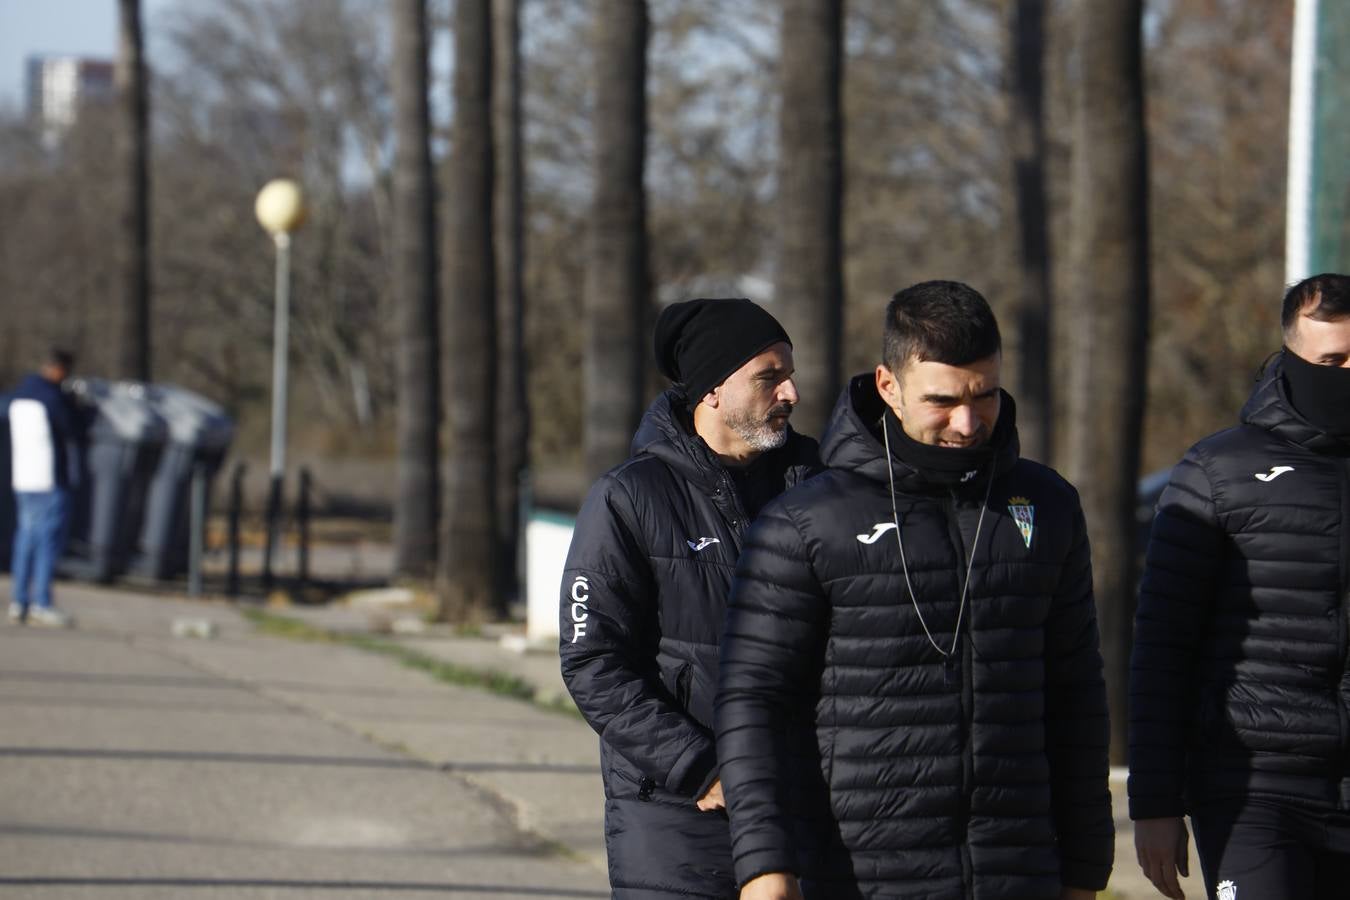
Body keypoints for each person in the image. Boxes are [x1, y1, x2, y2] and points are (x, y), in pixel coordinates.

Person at [715, 280, 1114, 900]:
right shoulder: (806, 522)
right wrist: (766, 868)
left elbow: (1077, 693)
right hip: (858, 874)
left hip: (1018, 869)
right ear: (887, 386)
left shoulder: (1048, 504)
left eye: (984, 395)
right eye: (942, 400)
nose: (967, 421)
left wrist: (1087, 868)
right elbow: (753, 701)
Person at [559, 297, 821, 898]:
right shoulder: (628, 499)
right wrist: (700, 770)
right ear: (711, 390)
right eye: (769, 378)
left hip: (808, 810)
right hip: (677, 818)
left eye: (790, 374)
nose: (791, 394)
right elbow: (592, 660)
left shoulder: (823, 487)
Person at [1129, 272, 1350, 900]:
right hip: (1255, 791)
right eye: (1332, 361)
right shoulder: (1218, 472)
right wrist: (1155, 802)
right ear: (1292, 358)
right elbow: (1163, 648)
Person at [7, 348, 80, 627]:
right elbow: (75, 429)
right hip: (48, 479)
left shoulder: (18, 394)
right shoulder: (53, 398)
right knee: (47, 542)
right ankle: (41, 602)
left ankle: (18, 600)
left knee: (25, 538)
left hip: (23, 477)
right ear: (60, 369)